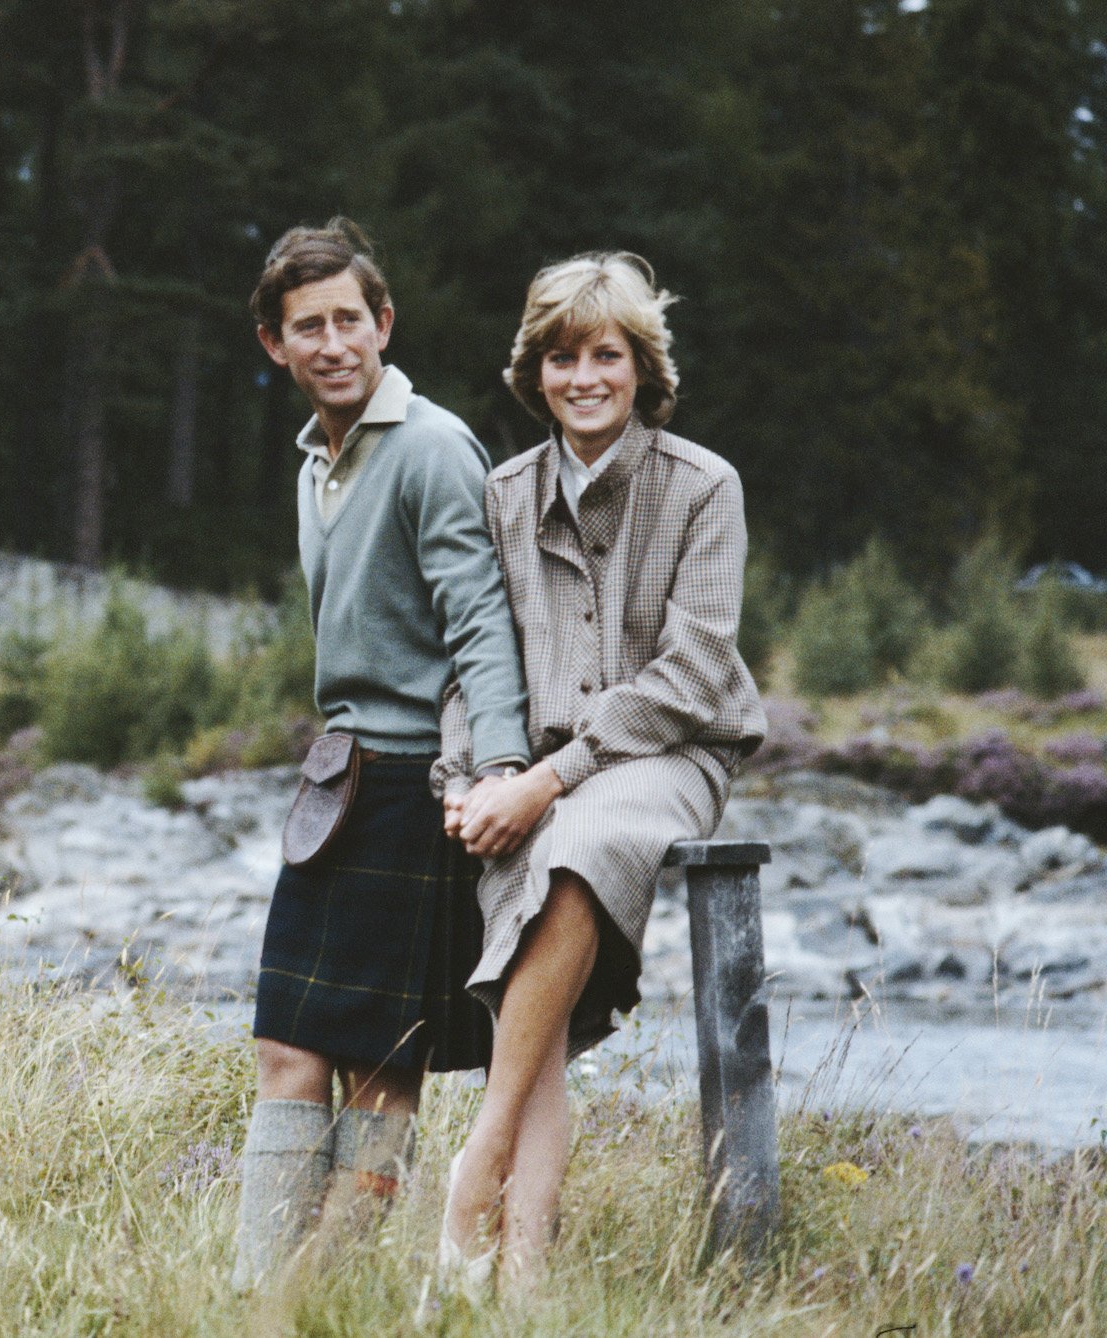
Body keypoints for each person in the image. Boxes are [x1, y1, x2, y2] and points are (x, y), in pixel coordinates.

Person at [430, 252, 767, 1293]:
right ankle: (521, 1280)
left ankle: (478, 1155)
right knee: (527, 875)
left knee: (570, 844)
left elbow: (697, 666)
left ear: (640, 368)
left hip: (668, 754)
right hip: (527, 762)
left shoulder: (702, 485)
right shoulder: (500, 494)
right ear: (534, 373)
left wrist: (549, 778)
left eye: (605, 355)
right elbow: (471, 655)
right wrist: (469, 777)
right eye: (562, 357)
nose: (584, 377)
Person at [231, 218, 532, 1291]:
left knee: (378, 1067)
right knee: (285, 1050)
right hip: (339, 776)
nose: (330, 344)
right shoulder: (315, 457)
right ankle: (256, 1296)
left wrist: (499, 772)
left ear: (383, 323)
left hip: (415, 786)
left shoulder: (431, 447)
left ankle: (309, 1302)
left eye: (347, 321)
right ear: (273, 343)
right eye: (305, 327)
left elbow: (480, 620)